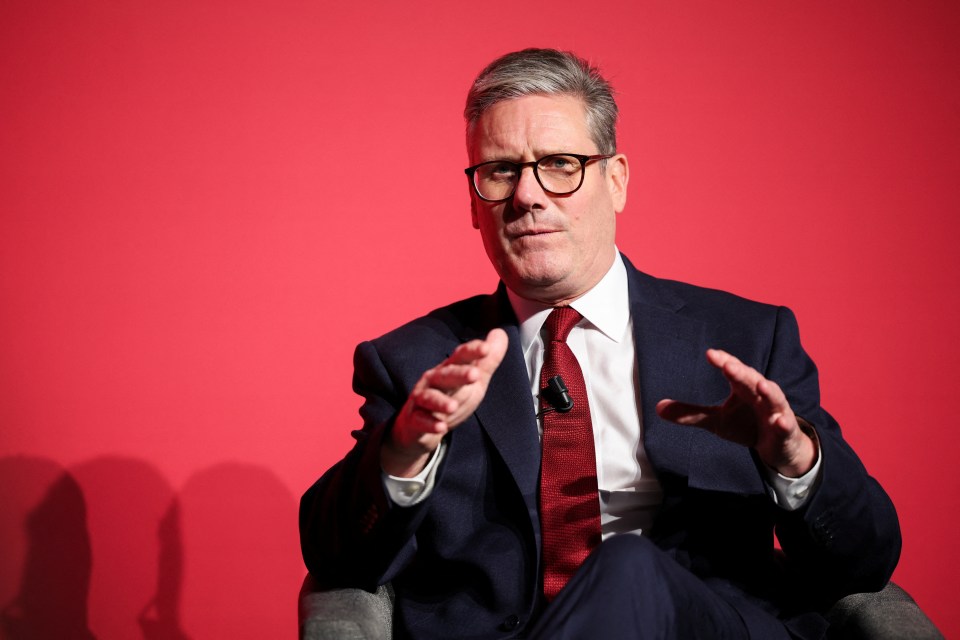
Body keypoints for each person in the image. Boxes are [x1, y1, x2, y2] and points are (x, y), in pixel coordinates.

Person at [299, 48, 900, 639]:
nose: (527, 196)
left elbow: (865, 559)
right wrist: (403, 453)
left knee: (628, 565)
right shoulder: (415, 363)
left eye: (559, 164)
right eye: (500, 171)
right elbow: (336, 562)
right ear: (473, 202)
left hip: (701, 625)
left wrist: (794, 462)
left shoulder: (745, 339)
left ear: (615, 181)